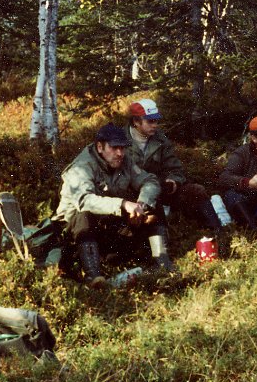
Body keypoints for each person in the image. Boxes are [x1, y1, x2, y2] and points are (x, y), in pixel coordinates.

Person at [52, 123, 173, 287]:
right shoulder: (82, 167)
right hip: (75, 235)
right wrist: (123, 204)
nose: (120, 153)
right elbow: (83, 201)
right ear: (100, 147)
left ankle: (164, 265)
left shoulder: (124, 161)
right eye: (115, 148)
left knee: (153, 205)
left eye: (123, 148)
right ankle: (93, 276)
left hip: (108, 227)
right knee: (84, 215)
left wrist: (140, 206)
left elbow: (149, 181)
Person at [125, 98, 221, 231]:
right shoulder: (119, 140)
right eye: (150, 121)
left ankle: (217, 231)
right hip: (131, 193)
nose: (155, 125)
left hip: (160, 188)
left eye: (156, 121)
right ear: (136, 121)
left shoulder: (160, 139)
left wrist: (173, 181)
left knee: (196, 191)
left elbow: (175, 168)